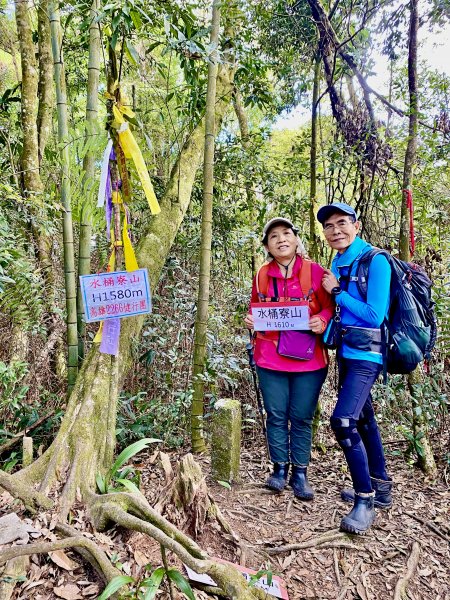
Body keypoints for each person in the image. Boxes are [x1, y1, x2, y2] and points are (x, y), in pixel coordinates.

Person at [317, 202, 393, 534]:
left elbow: (374, 314)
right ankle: (382, 487)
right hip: (347, 352)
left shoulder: (376, 261)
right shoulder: (338, 260)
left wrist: (335, 291)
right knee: (363, 417)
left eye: (342, 223)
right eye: (329, 226)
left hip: (369, 356)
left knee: (343, 420)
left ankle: (365, 498)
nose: (336, 230)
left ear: (356, 225)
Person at [244, 217, 334, 500]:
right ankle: (279, 468)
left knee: (302, 416)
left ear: (296, 240)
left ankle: (301, 473)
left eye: (286, 234)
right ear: (268, 246)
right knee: (276, 414)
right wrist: (250, 320)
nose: (281, 239)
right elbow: (255, 309)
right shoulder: (261, 275)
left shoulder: (315, 272)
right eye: (273, 236)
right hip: (270, 358)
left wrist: (322, 319)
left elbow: (331, 307)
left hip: (309, 359)